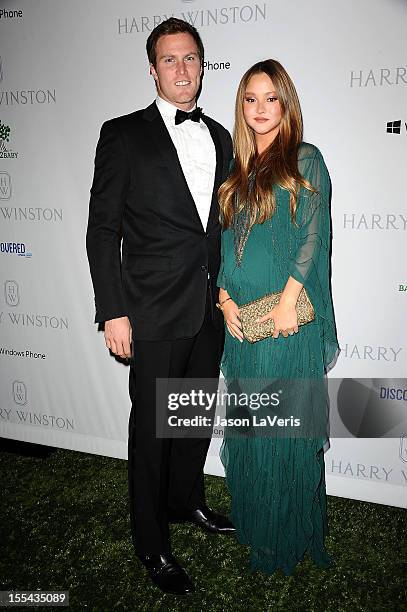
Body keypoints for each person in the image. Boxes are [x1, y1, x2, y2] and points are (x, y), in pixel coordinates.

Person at [86, 18, 234, 595]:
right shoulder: (122, 134)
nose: (182, 69)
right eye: (169, 60)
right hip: (148, 311)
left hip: (208, 309)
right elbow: (103, 230)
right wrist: (112, 309)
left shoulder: (222, 136)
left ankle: (185, 502)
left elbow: (219, 229)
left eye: (191, 58)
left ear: (203, 64)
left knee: (191, 420)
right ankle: (152, 543)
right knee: (151, 431)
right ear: (152, 69)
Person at [216, 59, 339, 575]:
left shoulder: (304, 160)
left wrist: (289, 299)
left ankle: (285, 538)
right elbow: (222, 247)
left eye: (271, 98)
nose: (260, 109)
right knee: (252, 433)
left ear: (286, 105)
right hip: (242, 326)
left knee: (284, 437)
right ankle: (260, 527)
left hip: (284, 327)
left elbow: (314, 234)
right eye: (250, 98)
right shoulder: (237, 171)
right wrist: (223, 300)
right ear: (241, 107)